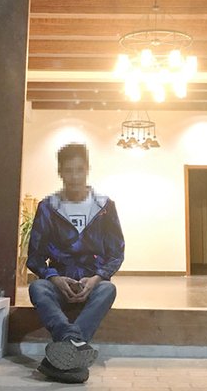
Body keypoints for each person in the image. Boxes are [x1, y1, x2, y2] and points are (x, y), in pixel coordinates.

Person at [27, 143, 125, 384]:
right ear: (60, 172)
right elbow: (35, 257)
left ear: (87, 169)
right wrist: (54, 278)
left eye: (79, 170)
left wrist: (97, 278)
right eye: (68, 171)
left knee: (108, 289)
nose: (74, 177)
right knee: (37, 288)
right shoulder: (48, 207)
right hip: (59, 282)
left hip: (92, 283)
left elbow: (116, 252)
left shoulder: (104, 206)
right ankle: (75, 342)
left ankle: (64, 349)